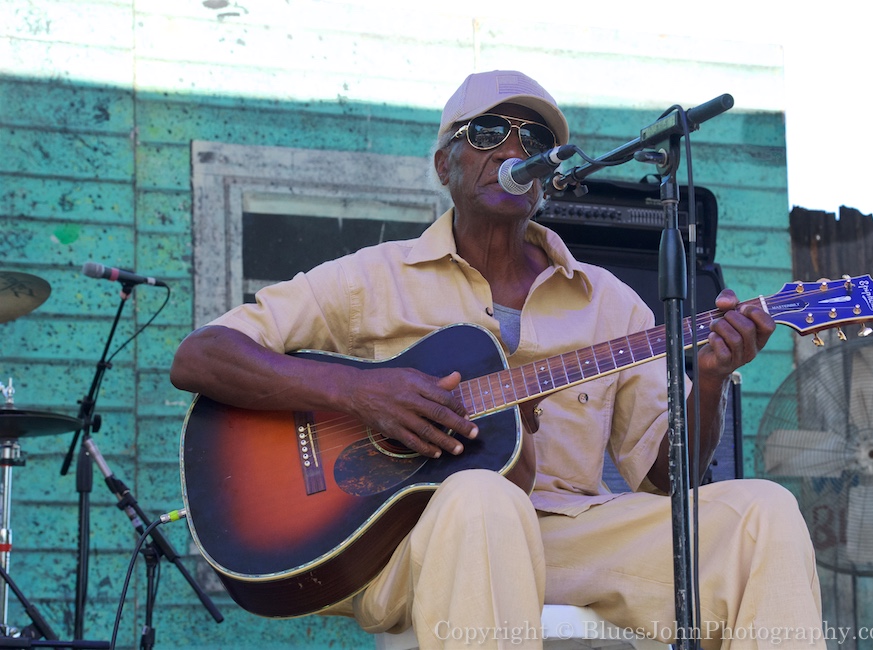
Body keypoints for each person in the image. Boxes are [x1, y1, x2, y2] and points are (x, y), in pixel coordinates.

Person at [170, 70, 825, 649]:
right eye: (487, 133)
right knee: (484, 496)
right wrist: (357, 392)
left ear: (545, 176)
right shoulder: (370, 278)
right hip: (417, 541)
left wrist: (706, 382)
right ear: (443, 164)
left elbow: (662, 481)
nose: (513, 150)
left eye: (534, 141)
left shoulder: (611, 303)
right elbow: (203, 356)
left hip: (571, 537)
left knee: (762, 512)